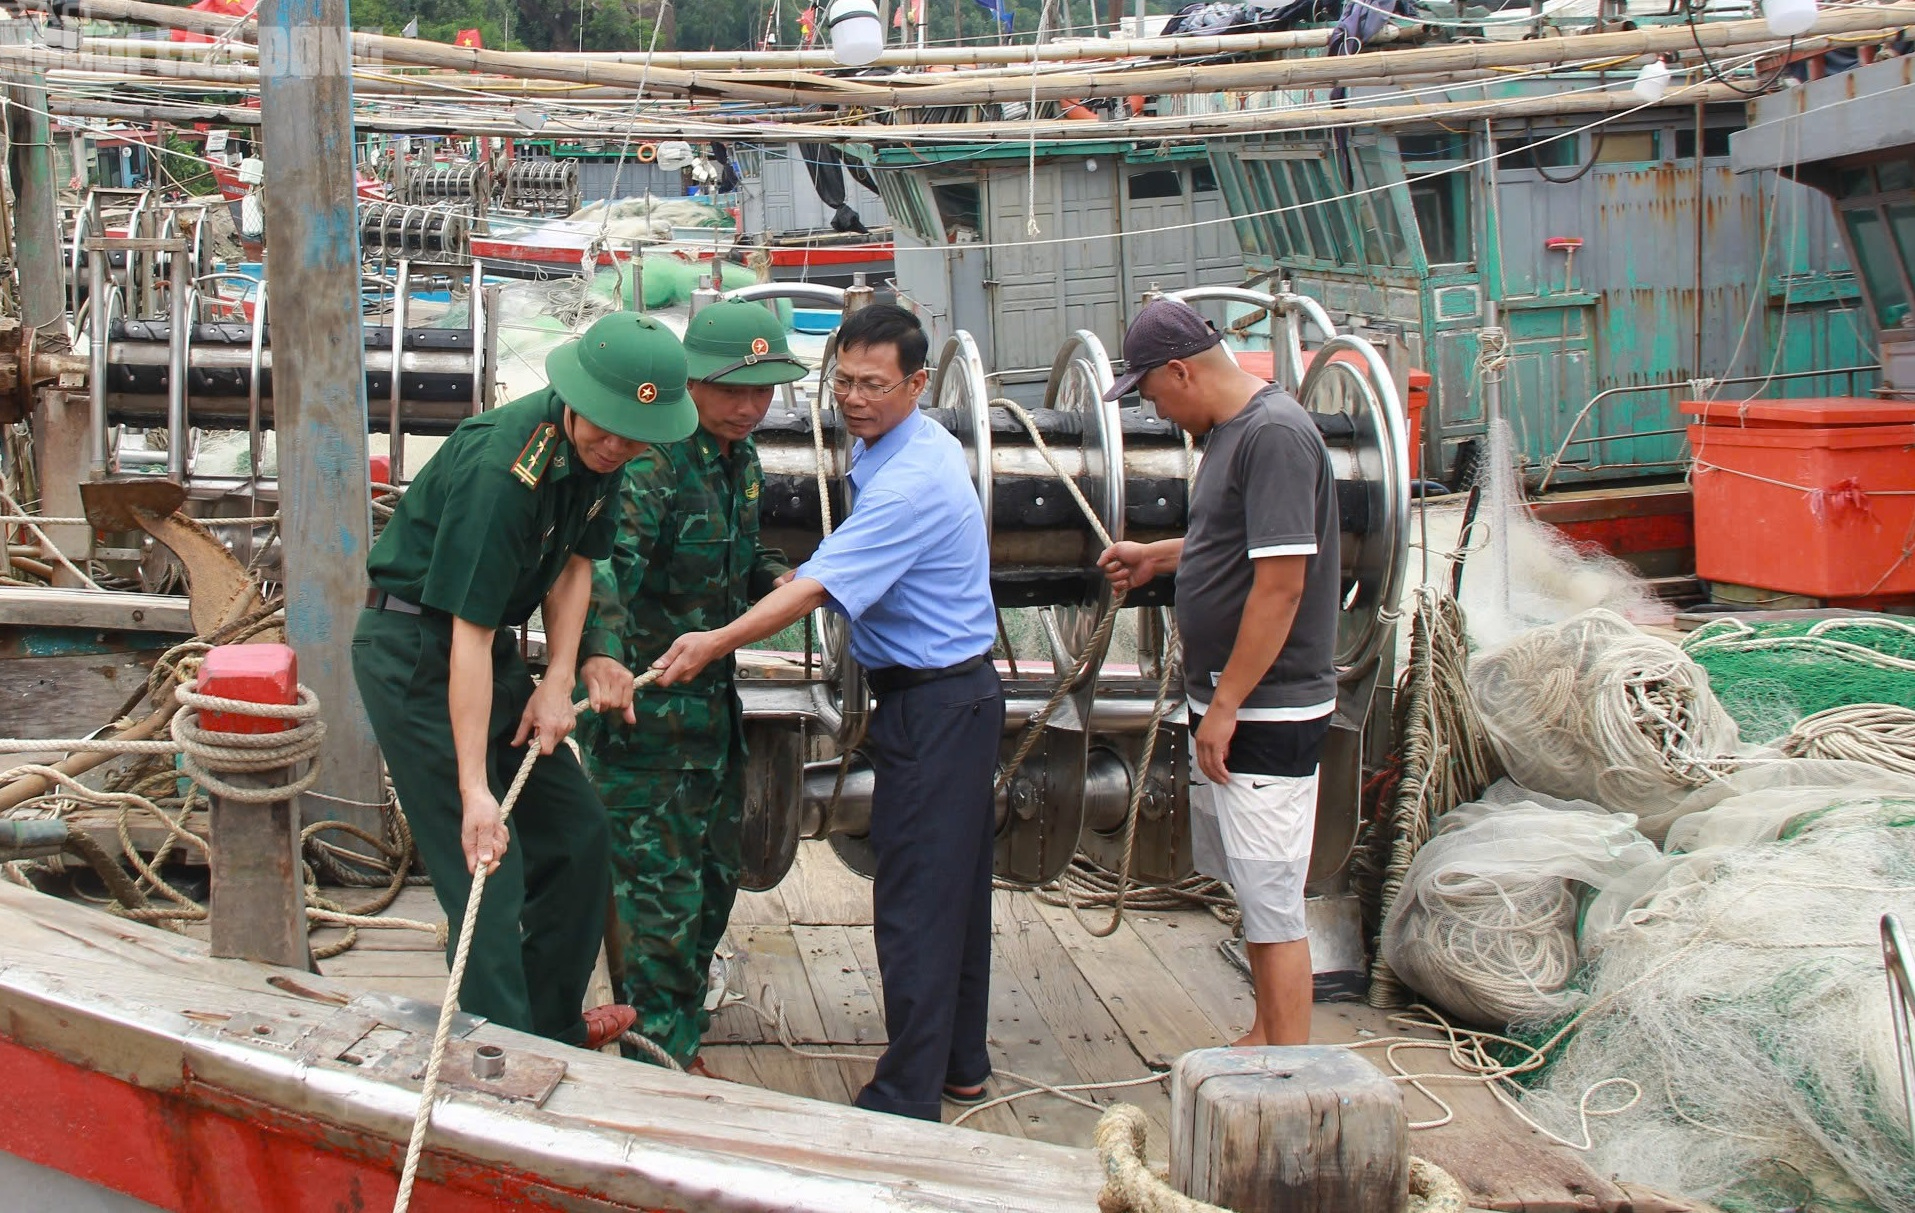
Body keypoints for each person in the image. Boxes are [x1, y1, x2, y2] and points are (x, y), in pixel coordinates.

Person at [649, 303, 1001, 1120]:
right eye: (841, 379)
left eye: (874, 385)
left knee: (914, 900)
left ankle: (906, 1097)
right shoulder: (898, 445)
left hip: (938, 704)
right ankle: (961, 1064)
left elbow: (817, 588)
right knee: (955, 895)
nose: (853, 397)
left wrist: (715, 639)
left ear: (919, 383)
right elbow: (815, 575)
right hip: (945, 695)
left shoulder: (911, 479)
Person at [351, 312, 697, 1050]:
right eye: (603, 427)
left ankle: (553, 1031)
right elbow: (466, 637)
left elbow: (575, 564)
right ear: (574, 396)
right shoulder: (502, 469)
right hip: (417, 653)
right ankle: (493, 1057)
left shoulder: (604, 459)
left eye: (633, 435)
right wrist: (476, 791)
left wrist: (557, 677)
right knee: (486, 869)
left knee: (578, 836)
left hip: (494, 658)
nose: (614, 445)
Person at [1094, 297, 1340, 1048]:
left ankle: (1287, 1067)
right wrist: (1156, 557)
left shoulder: (1271, 437)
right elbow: (1229, 541)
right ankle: (1264, 1033)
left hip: (1268, 711)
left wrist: (1228, 701)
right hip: (1235, 705)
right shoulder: (1232, 435)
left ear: (1180, 371)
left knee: (1271, 898)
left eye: (1150, 391)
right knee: (1252, 886)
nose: (1153, 407)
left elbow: (1282, 584)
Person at [577, 300, 809, 1072]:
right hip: (645, 732)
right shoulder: (654, 460)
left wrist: (789, 582)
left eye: (764, 391)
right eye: (733, 390)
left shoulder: (738, 464)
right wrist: (605, 658)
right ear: (693, 382)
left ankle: (677, 1034)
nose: (749, 407)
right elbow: (603, 568)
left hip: (711, 724)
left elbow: (742, 567)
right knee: (657, 912)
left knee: (711, 889)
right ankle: (655, 1061)